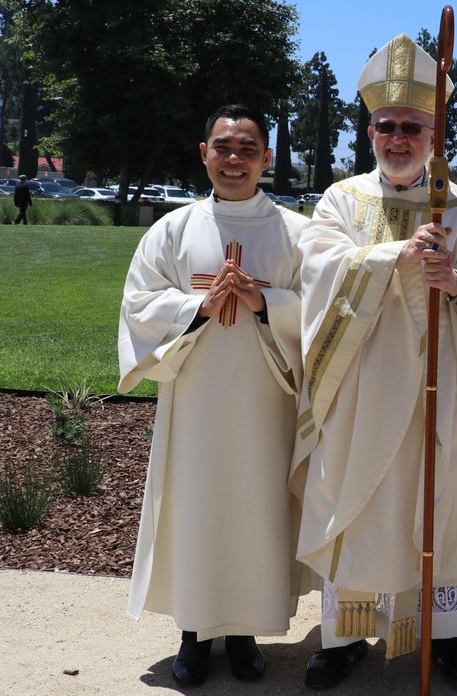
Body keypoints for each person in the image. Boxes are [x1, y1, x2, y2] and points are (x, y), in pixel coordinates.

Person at [290, 33, 457, 691]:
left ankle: (446, 637)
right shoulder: (342, 201)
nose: (397, 138)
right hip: (359, 390)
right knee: (354, 502)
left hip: (439, 394)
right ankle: (343, 637)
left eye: (411, 126)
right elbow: (319, 272)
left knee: (439, 506)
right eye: (385, 126)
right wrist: (394, 257)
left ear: (433, 133)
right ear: (369, 133)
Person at [118, 104, 311, 687]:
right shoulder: (172, 230)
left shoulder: (297, 233)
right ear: (204, 154)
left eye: (248, 149)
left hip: (266, 405)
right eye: (223, 147)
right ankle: (194, 634)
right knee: (196, 510)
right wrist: (196, 307)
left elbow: (324, 313)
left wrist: (266, 303)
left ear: (266, 158)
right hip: (196, 405)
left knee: (256, 510)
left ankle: (244, 633)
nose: (234, 159)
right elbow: (138, 305)